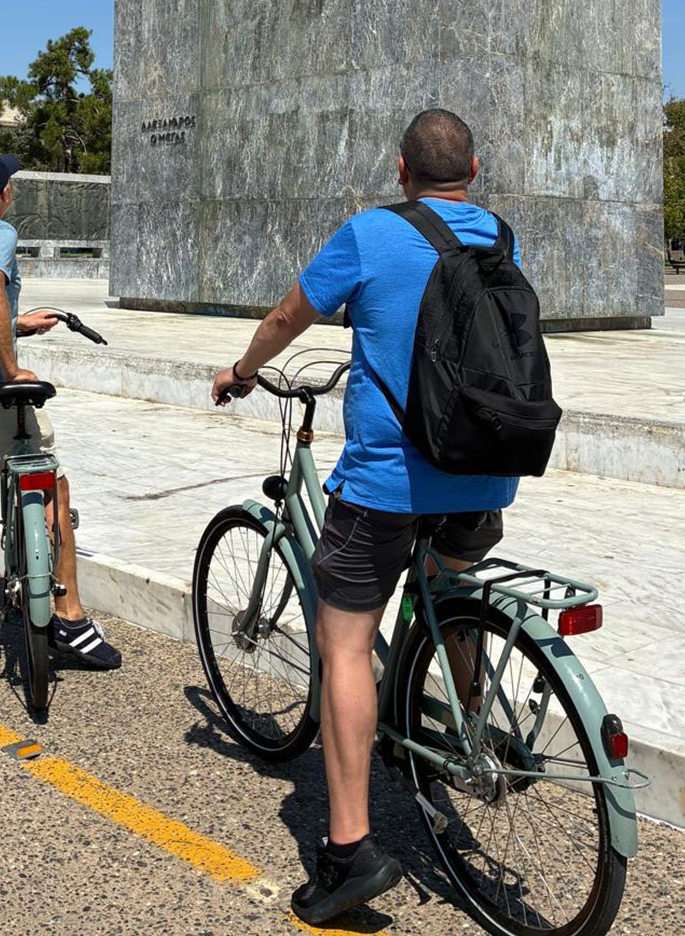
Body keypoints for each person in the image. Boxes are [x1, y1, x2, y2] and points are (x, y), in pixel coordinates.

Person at [211, 109, 522, 926]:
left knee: (344, 642)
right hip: (486, 473)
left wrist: (243, 371)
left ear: (399, 170)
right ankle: (472, 728)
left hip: (390, 480)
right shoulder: (497, 236)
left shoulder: (369, 234)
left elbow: (288, 319)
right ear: (476, 168)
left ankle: (349, 852)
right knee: (449, 584)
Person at [0, 151, 122, 673]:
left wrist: (20, 325)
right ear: (4, 193)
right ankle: (70, 620)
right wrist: (12, 368)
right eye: (13, 185)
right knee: (52, 488)